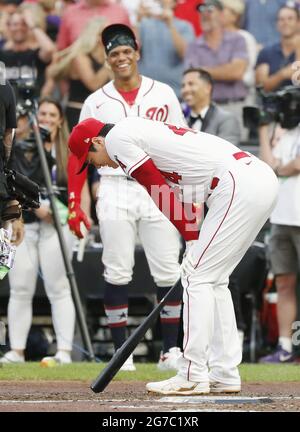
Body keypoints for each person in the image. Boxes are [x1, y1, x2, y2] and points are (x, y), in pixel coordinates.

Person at [68, 114, 278, 395]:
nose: (97, 165)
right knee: (214, 280)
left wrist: (191, 236)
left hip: (236, 184)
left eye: (91, 158)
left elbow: (156, 188)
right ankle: (224, 372)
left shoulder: (117, 138)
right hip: (255, 178)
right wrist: (191, 234)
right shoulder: (142, 131)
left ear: (96, 140)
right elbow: (181, 193)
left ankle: (191, 373)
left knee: (197, 277)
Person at [68, 23, 185, 371]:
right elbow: (78, 153)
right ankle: (122, 352)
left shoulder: (163, 92)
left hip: (159, 185)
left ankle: (170, 351)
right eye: (114, 54)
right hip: (116, 184)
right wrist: (76, 202)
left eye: (126, 52)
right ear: (106, 59)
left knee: (168, 268)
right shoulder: (96, 100)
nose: (121, 58)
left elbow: (181, 140)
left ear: (137, 53)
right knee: (117, 269)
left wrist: (186, 193)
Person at [0, 98, 76, 366]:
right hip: (23, 224)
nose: (46, 117)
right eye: (41, 112)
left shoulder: (69, 149)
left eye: (51, 114)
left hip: (58, 225)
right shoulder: (19, 147)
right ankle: (16, 350)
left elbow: (79, 187)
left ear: (60, 119)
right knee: (20, 287)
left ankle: (64, 351)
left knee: (59, 287)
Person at [258, 122, 300, 363]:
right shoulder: (281, 131)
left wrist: (280, 167)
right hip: (281, 218)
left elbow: (297, 164)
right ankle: (285, 347)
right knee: (284, 282)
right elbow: (266, 166)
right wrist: (264, 130)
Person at [184, 0, 248, 140]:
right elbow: (192, 78)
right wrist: (225, 70)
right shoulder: (194, 45)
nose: (205, 15)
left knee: (236, 157)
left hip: (233, 105)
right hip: (205, 109)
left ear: (221, 14)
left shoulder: (237, 39)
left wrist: (203, 72)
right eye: (201, 12)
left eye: (210, 11)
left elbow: (236, 72)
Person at [47, 16, 111, 130]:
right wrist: (109, 62)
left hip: (100, 115)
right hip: (78, 114)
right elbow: (93, 84)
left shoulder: (105, 59)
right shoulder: (80, 57)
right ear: (96, 36)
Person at [136, 0, 195, 98]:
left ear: (174, 3)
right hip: (146, 92)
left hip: (175, 92)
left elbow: (185, 53)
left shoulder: (185, 26)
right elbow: (133, 51)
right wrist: (138, 21)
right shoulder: (144, 24)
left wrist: (170, 24)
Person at [0, 8, 56, 98]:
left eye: (24, 24)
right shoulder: (2, 55)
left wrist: (32, 25)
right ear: (8, 27)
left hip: (32, 106)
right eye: (15, 24)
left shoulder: (35, 54)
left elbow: (49, 49)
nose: (19, 28)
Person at [181, 68, 240, 145]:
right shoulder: (181, 119)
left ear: (207, 88)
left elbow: (227, 153)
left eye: (191, 84)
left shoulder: (226, 120)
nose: (185, 90)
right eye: (183, 86)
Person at [256, 5, 300, 93]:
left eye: (290, 18)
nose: (285, 22)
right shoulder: (266, 52)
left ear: (298, 23)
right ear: (276, 24)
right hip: (273, 105)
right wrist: (282, 74)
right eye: (281, 19)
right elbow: (261, 88)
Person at [57, 0, 130, 50]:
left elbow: (131, 45)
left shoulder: (121, 11)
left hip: (114, 68)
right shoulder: (69, 13)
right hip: (78, 69)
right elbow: (61, 48)